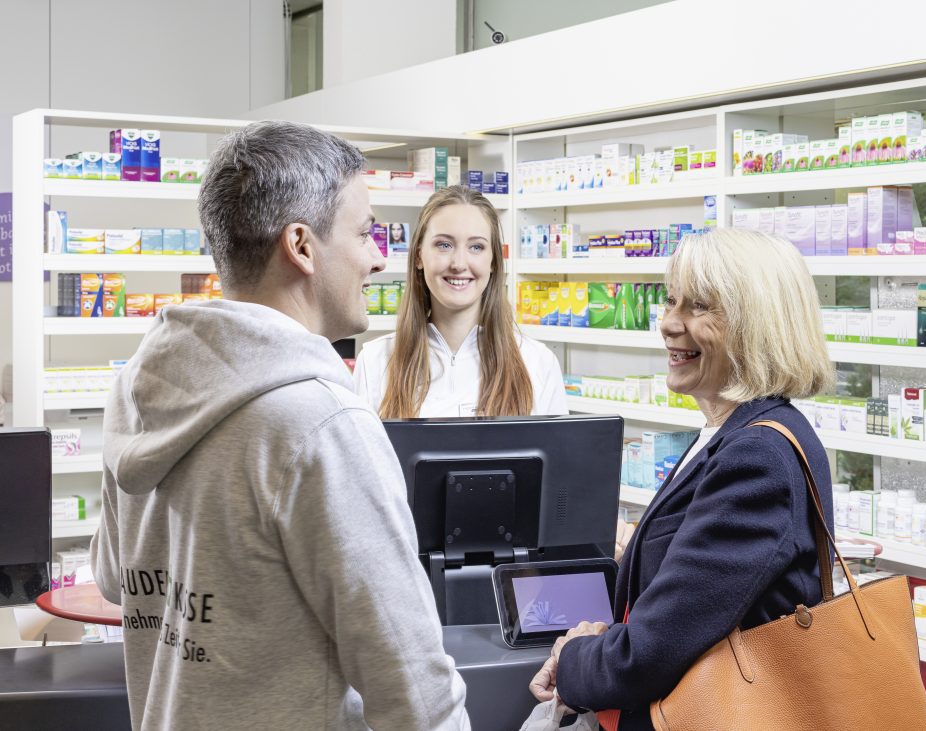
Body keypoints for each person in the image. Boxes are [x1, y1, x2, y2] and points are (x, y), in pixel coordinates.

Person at [90, 121, 470, 731]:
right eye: (365, 232)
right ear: (301, 245)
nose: (377, 257)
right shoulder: (321, 421)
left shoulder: (138, 385)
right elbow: (413, 688)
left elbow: (116, 578)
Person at [529, 228, 835, 730]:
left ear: (755, 324)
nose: (669, 324)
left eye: (699, 307)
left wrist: (574, 659)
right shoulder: (727, 433)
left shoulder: (758, 455)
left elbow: (652, 652)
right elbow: (687, 608)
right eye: (671, 302)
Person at [355, 185, 567, 418]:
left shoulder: (537, 362)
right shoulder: (375, 361)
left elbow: (562, 454)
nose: (458, 263)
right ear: (418, 256)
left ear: (493, 261)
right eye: (444, 245)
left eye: (476, 247)